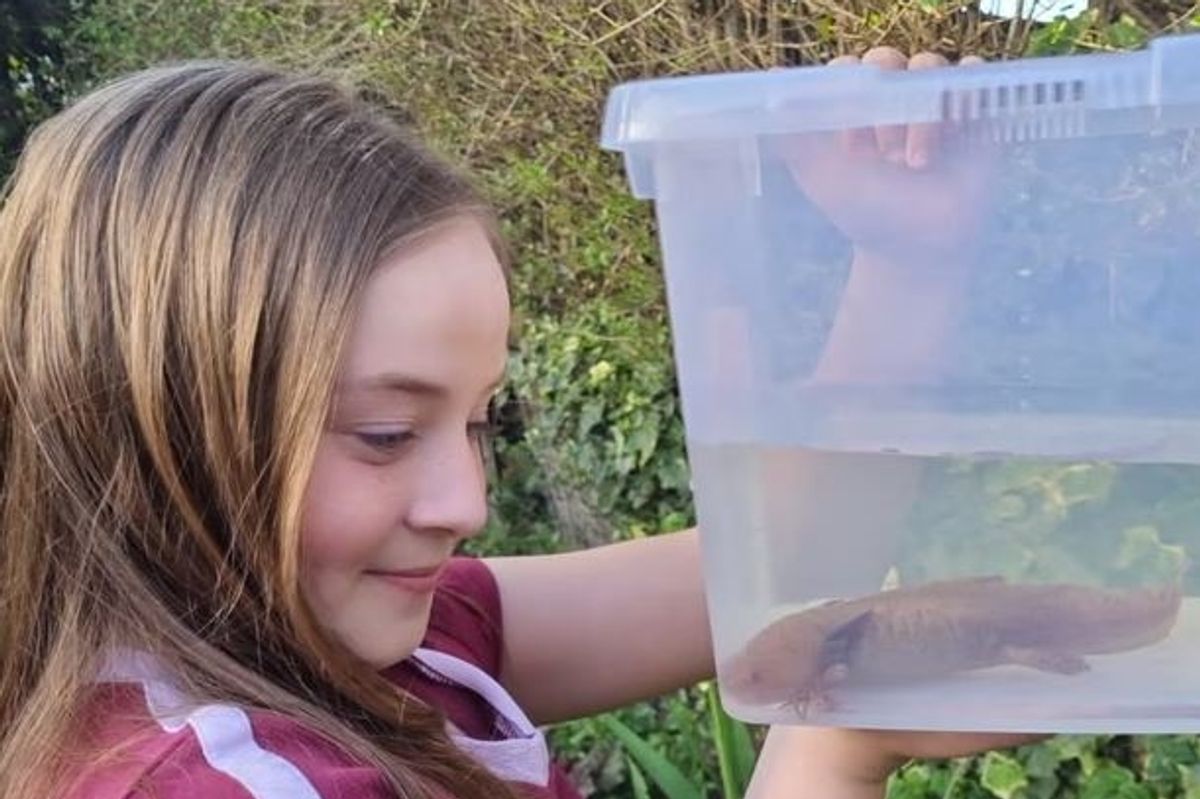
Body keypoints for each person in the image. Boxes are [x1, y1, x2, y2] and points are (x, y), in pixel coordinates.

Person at [0, 47, 1035, 799]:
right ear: (152, 427)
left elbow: (792, 558)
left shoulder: (366, 639)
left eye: (481, 422)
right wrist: (833, 752)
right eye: (385, 433)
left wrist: (909, 263)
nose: (468, 503)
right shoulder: (214, 780)